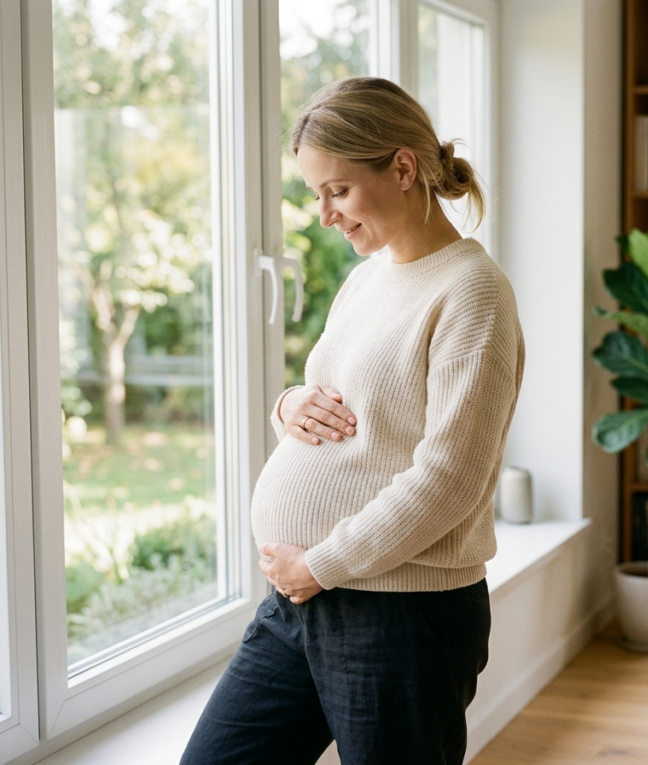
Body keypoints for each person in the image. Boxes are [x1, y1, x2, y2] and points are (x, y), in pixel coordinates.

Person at [180, 76, 525, 765]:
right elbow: (343, 406)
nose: (326, 215)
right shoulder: (368, 277)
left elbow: (450, 478)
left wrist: (322, 562)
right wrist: (288, 404)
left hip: (398, 614)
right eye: (316, 195)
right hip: (300, 603)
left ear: (401, 168)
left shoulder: (472, 293)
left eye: (337, 190)